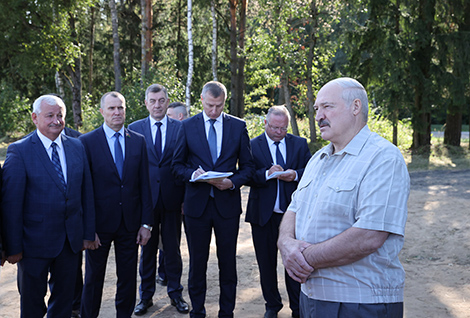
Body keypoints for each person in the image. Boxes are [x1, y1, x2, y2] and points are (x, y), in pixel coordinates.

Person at [277, 77, 410, 318]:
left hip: (360, 303)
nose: (318, 116)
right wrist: (285, 244)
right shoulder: (317, 160)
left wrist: (304, 258)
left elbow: (369, 235)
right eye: (317, 109)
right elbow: (294, 209)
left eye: (327, 107)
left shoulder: (383, 158)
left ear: (355, 107)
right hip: (311, 299)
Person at [1, 94, 96, 317]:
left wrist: (87, 233)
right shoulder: (19, 150)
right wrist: (13, 247)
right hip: (33, 244)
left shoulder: (77, 146)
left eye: (60, 115)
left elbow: (86, 193)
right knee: (32, 303)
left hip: (69, 243)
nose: (56, 120)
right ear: (35, 118)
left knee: (63, 302)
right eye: (50, 115)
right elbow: (11, 204)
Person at [172, 81, 254, 318]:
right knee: (197, 263)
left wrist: (233, 182)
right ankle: (197, 312)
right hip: (196, 206)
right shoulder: (187, 126)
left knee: (227, 262)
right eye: (210, 105)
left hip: (227, 205)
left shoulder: (238, 126)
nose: (214, 111)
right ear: (201, 100)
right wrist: (192, 175)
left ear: (224, 102)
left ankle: (226, 312)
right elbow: (176, 166)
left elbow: (248, 167)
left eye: (219, 106)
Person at [79, 91, 153, 318]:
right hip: (98, 227)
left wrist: (146, 224)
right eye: (111, 108)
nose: (116, 112)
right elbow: (84, 189)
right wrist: (88, 228)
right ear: (102, 112)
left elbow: (144, 186)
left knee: (128, 277)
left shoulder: (138, 141)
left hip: (129, 224)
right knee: (93, 279)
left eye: (120, 107)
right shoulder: (87, 142)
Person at [245, 105, 311, 318]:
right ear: (266, 123)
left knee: (293, 261)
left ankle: (297, 308)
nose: (278, 132)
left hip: (292, 216)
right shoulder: (252, 145)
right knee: (266, 264)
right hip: (262, 215)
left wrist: (295, 175)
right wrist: (265, 174)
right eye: (274, 127)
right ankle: (272, 305)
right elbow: (246, 175)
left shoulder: (299, 144)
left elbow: (311, 171)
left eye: (283, 128)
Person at [129, 84, 189, 315]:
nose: (157, 105)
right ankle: (145, 297)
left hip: (173, 199)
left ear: (167, 102)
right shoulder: (134, 129)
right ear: (146, 103)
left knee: (172, 250)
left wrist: (185, 198)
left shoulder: (180, 128)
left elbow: (185, 162)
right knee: (147, 251)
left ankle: (176, 294)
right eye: (152, 101)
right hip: (145, 202)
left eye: (161, 100)